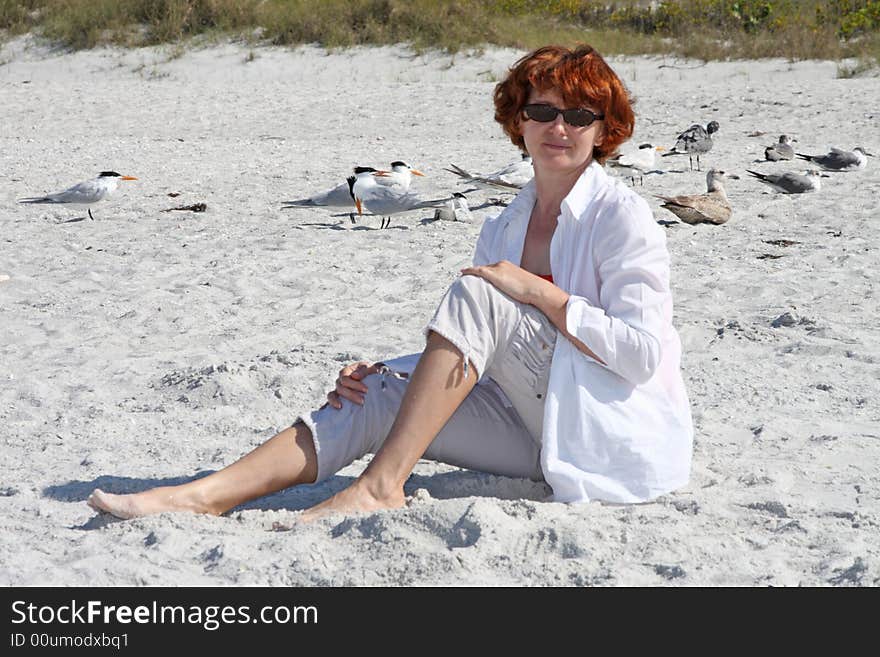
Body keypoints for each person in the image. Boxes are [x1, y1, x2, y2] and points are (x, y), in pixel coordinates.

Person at [88, 44, 693, 522]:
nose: (558, 127)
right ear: (520, 119)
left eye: (579, 114)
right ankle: (203, 496)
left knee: (481, 291)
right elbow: (476, 348)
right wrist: (392, 372)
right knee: (373, 393)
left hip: (601, 432)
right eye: (542, 110)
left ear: (604, 128)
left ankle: (380, 486)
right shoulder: (505, 222)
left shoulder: (622, 215)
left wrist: (541, 293)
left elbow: (642, 357)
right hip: (530, 431)